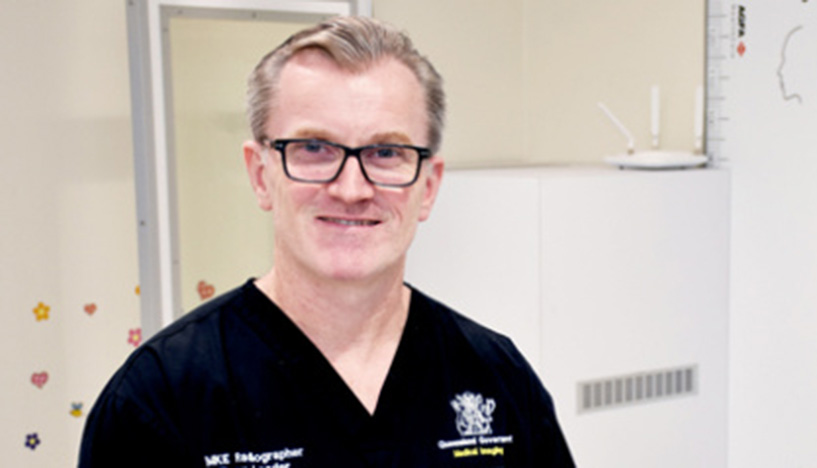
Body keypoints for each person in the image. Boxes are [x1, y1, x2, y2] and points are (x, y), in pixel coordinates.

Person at [79, 16, 576, 467]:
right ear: (259, 174)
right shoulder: (160, 399)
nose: (351, 189)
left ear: (428, 186)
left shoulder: (496, 379)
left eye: (386, 152)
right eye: (314, 148)